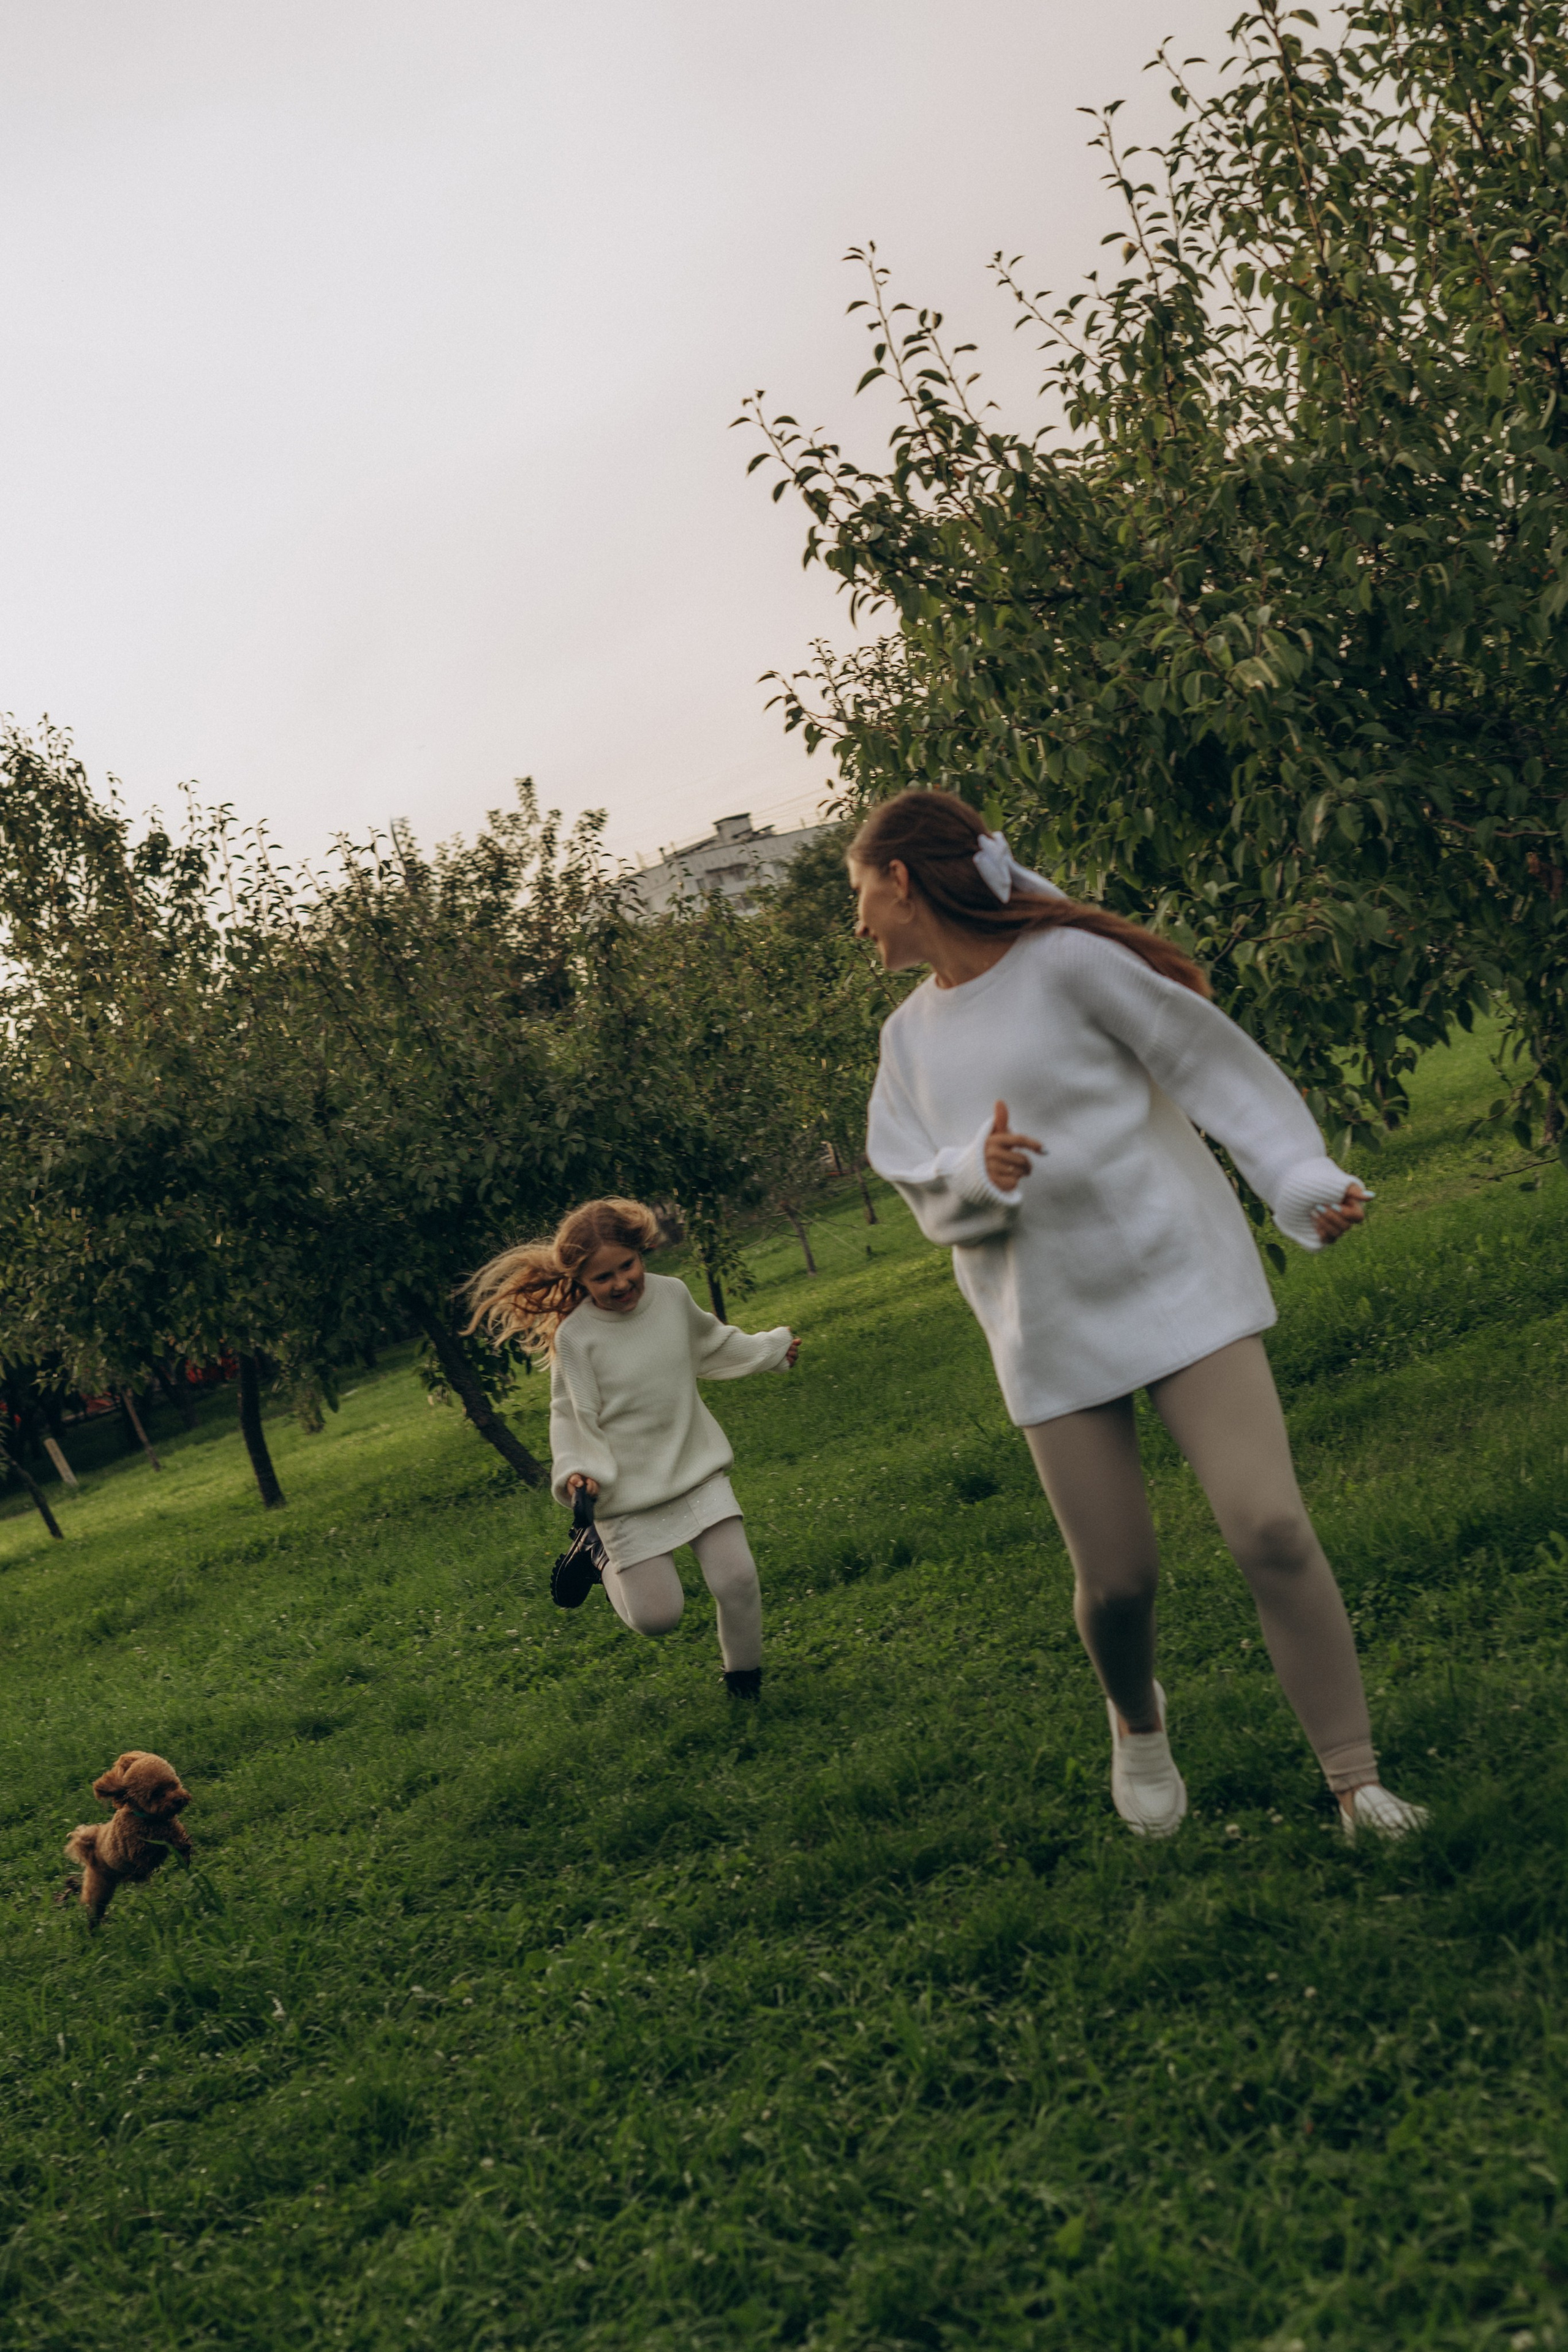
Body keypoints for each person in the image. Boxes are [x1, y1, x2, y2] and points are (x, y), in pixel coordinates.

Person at [853, 788, 1427, 1841]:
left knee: (1271, 1526)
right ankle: (1137, 1719)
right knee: (1118, 1582)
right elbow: (906, 1169)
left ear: (901, 880)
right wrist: (971, 1171)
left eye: (858, 893)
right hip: (1046, 1319)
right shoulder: (906, 1044)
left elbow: (1209, 1063)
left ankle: (1356, 1783)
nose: (857, 923)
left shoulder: (1070, 963)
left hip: (1179, 1276)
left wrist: (1295, 1176)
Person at [464, 1198, 800, 1697]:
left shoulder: (672, 1296)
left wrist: (770, 1351)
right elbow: (570, 1413)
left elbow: (710, 1344)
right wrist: (576, 1470)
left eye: (627, 1266)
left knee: (738, 1579)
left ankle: (743, 1681)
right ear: (581, 1281)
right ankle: (597, 1553)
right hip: (625, 1492)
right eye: (603, 1277)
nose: (621, 1282)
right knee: (657, 1617)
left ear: (641, 1252)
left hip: (695, 1467)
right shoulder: (577, 1337)